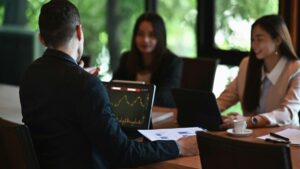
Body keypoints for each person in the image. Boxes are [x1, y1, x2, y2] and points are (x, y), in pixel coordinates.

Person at [19, 1, 198, 169]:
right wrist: (178, 146)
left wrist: (79, 76)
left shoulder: (29, 75)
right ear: (79, 31)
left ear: (41, 38)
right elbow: (124, 153)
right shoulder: (85, 85)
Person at [217, 15, 300, 128]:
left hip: (284, 139)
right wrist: (209, 112)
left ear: (277, 40)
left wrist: (250, 121)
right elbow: (226, 98)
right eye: (252, 40)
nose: (253, 45)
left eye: (259, 39)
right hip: (251, 139)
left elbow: (287, 113)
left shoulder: (296, 69)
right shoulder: (247, 65)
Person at [113, 13, 182, 108]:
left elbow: (166, 97)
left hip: (160, 115)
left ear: (160, 37)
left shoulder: (172, 62)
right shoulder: (126, 58)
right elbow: (113, 88)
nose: (145, 39)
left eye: (151, 35)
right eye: (140, 34)